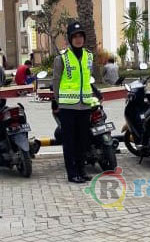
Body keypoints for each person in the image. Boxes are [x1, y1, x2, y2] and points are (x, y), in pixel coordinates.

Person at [53, 21, 97, 184]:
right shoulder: (62, 58)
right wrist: (58, 101)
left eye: (81, 36)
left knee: (83, 140)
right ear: (70, 39)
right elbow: (56, 82)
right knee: (70, 142)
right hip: (68, 107)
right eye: (75, 36)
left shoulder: (89, 56)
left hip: (85, 105)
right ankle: (72, 173)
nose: (78, 39)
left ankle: (82, 170)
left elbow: (88, 79)